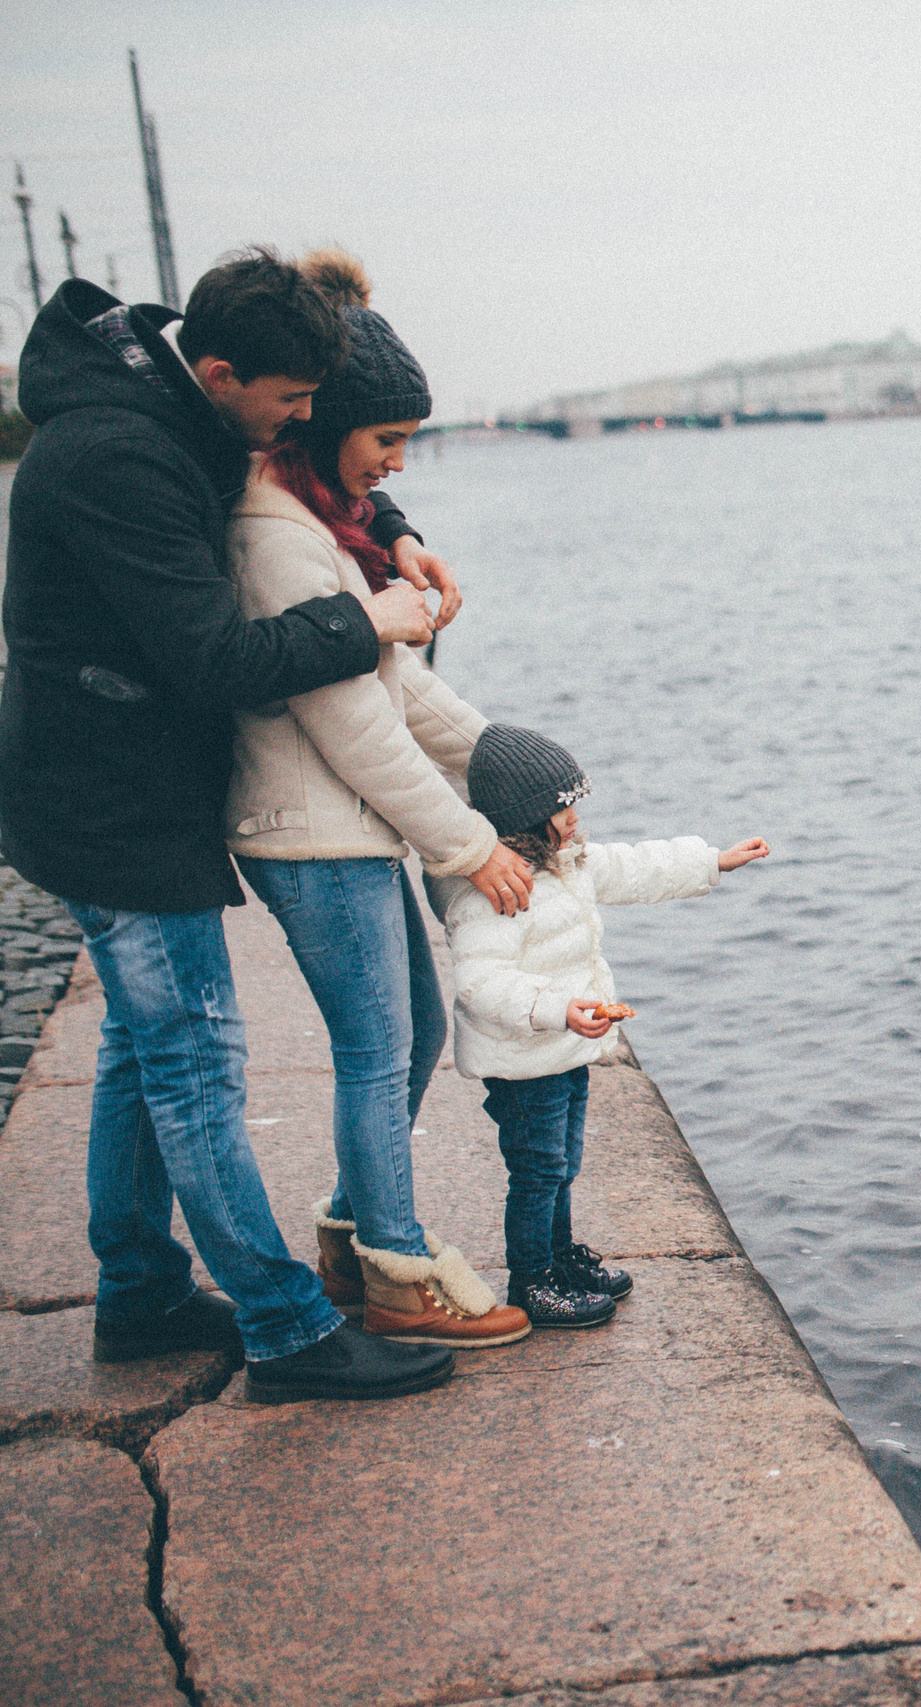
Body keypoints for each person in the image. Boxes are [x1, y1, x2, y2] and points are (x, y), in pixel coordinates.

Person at [0, 250, 454, 1401]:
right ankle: (288, 1332)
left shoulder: (179, 397)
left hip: (127, 782)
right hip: (110, 801)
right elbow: (215, 660)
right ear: (220, 374)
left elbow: (303, 459)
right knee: (195, 1063)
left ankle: (141, 1292)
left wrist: (390, 525)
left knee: (138, 1049)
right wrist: (369, 620)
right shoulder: (118, 458)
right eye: (292, 401)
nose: (302, 420)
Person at [224, 249, 535, 1349]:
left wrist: (515, 765)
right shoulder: (280, 539)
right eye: (387, 440)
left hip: (341, 830)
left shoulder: (321, 523)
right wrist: (471, 846)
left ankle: (355, 1236)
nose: (397, 465)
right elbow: (358, 730)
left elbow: (401, 686)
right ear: (323, 427)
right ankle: (397, 1268)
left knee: (409, 1038)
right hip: (312, 837)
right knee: (376, 1049)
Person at [444, 725, 767, 1326]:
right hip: (524, 1060)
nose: (574, 816)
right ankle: (532, 1281)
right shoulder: (494, 892)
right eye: (562, 807)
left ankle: (559, 1257)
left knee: (562, 1163)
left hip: (563, 1051)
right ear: (525, 816)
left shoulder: (569, 865)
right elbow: (479, 983)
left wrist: (712, 861)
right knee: (537, 1172)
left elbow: (636, 867)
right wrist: (555, 1009)